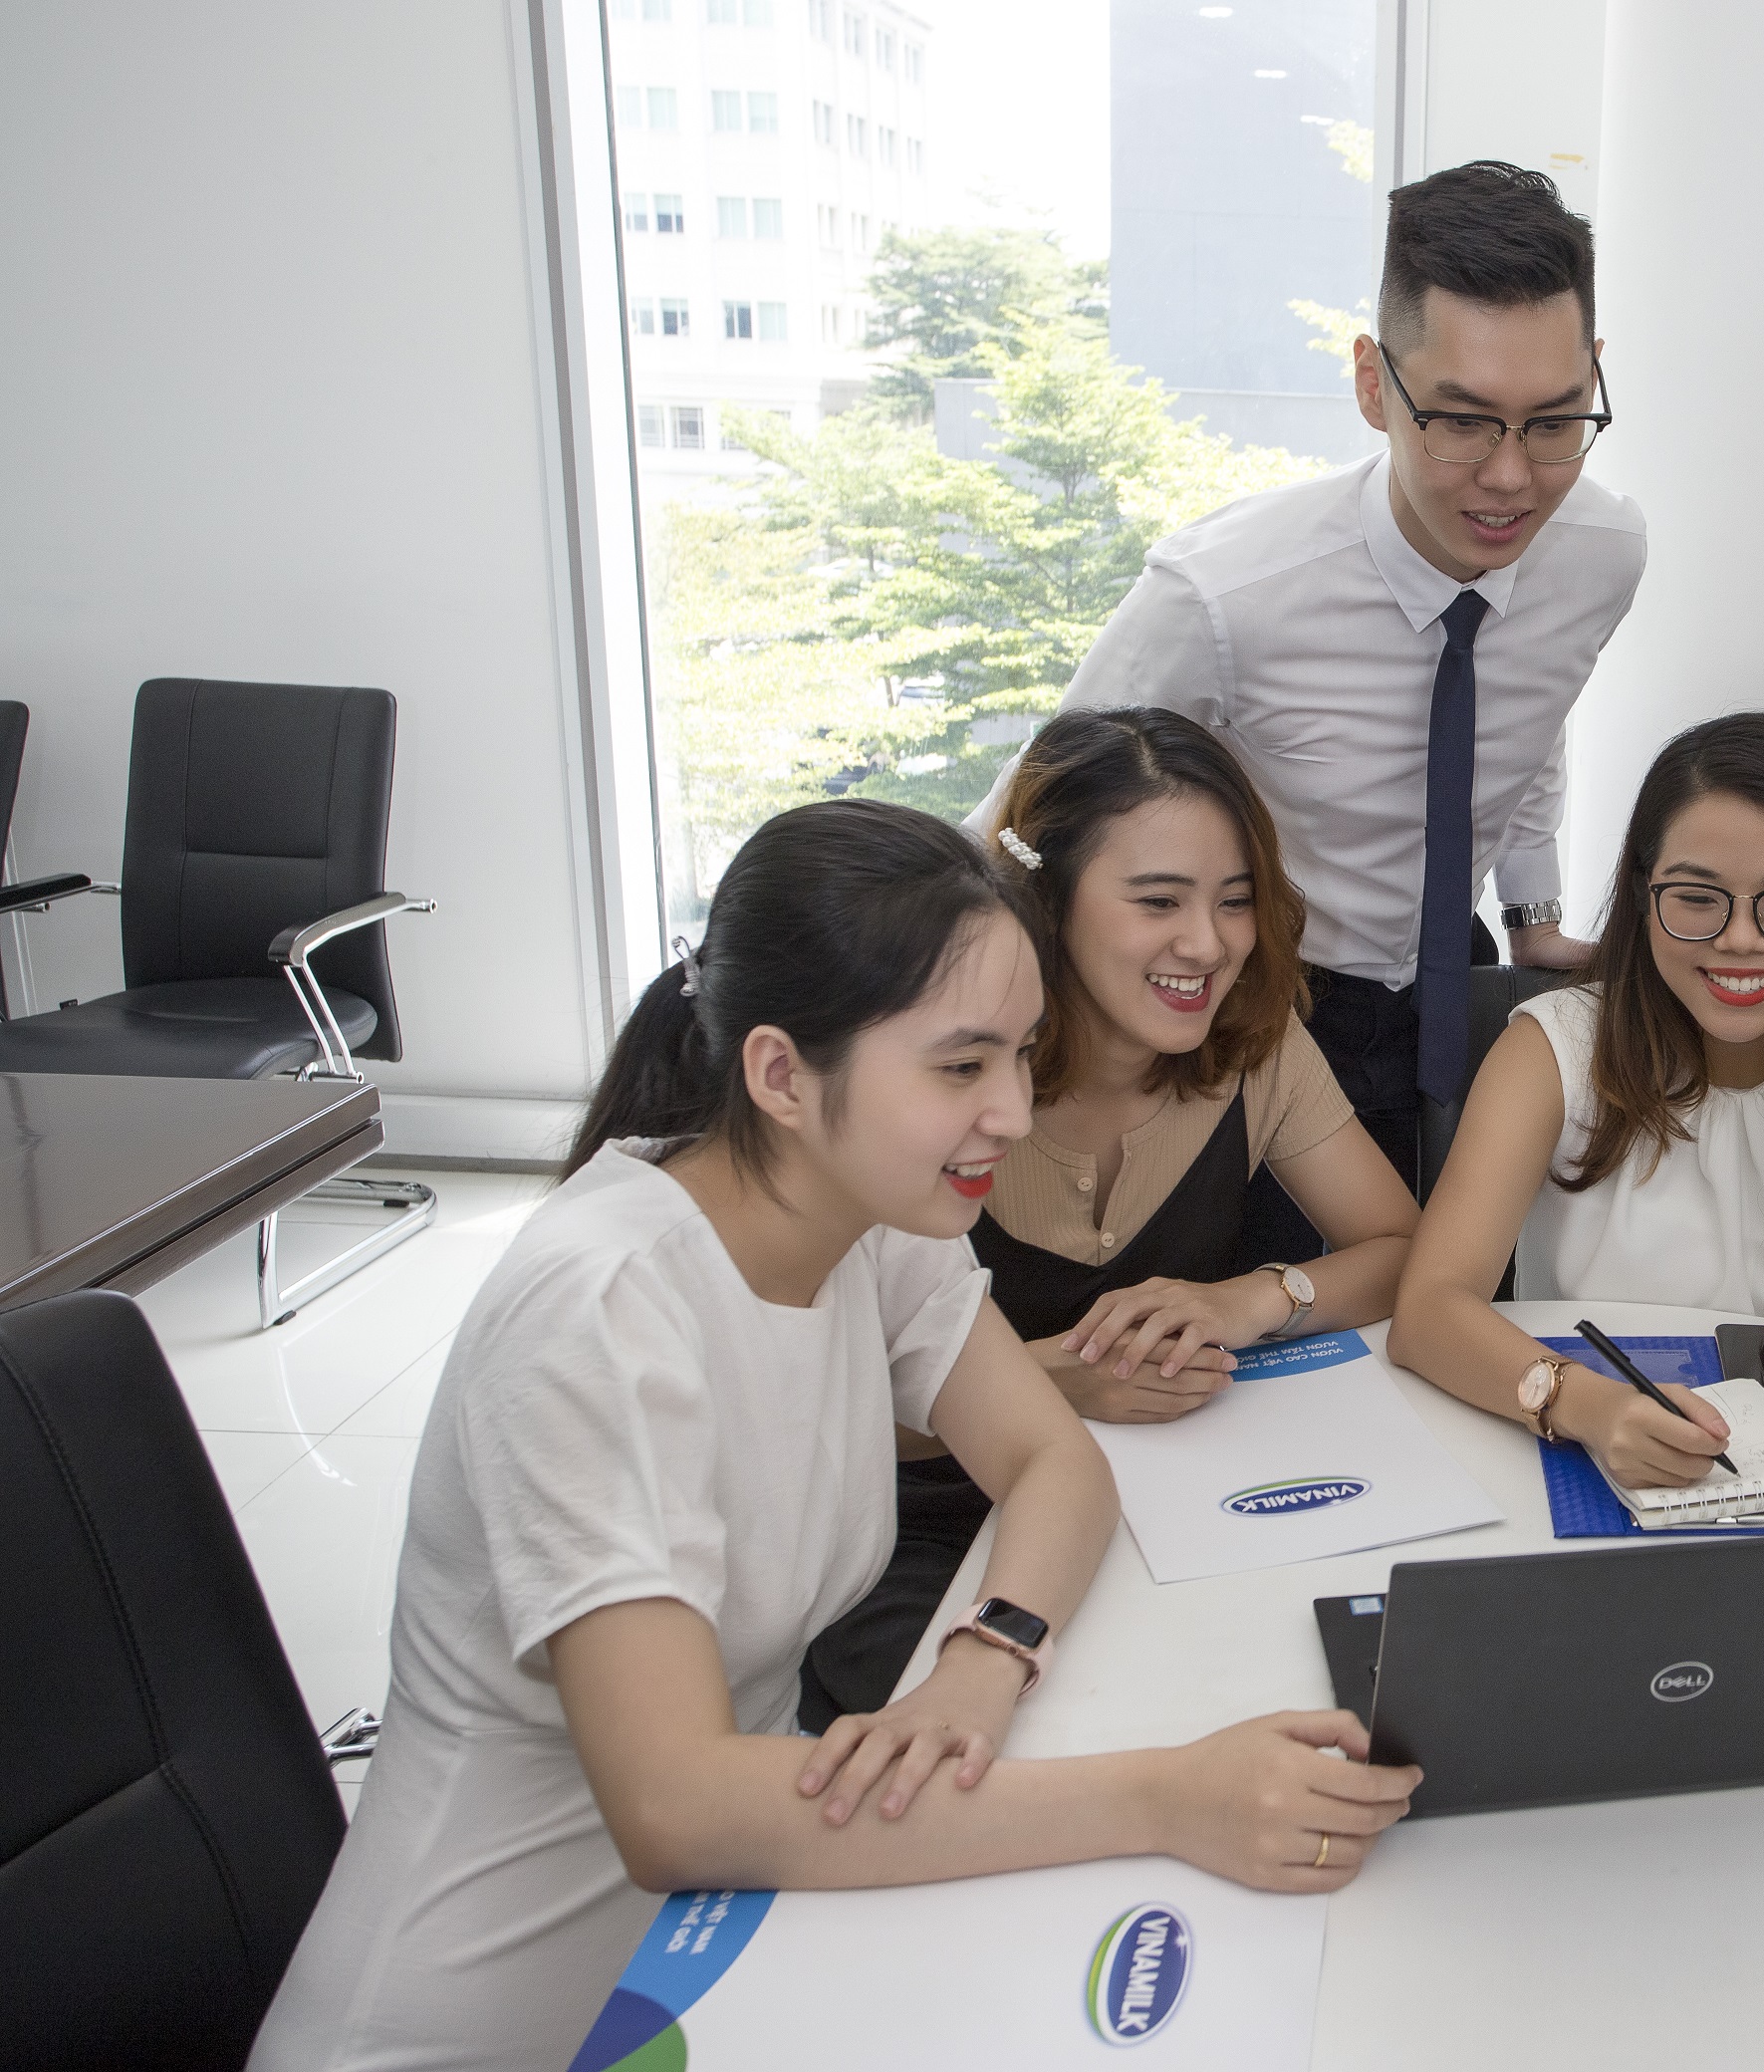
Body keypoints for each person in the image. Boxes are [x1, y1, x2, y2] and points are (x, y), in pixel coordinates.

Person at [253, 800, 1418, 2072]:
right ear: (779, 1076)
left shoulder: (876, 1217)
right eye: (961, 1067)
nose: (1013, 1111)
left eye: (1022, 1054)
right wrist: (1164, 1798)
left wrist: (984, 1660)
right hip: (500, 2018)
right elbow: (677, 1808)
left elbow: (1054, 1461)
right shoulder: (602, 1310)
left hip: (736, 1937)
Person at [963, 159, 1644, 1260]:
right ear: (1374, 385)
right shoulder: (1221, 594)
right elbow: (1030, 816)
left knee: (1451, 1297)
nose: (1512, 478)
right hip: (1261, 1009)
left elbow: (1532, 707)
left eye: (1555, 421)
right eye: (1462, 421)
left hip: (1452, 990)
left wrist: (1534, 906)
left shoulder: (1604, 555)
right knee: (1254, 1323)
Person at [800, 709, 1419, 1729]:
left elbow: (1405, 1253)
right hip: (922, 1533)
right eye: (1158, 901)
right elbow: (809, 1413)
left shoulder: (1253, 1044)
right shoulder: (925, 1080)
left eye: (1235, 900)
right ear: (1043, 904)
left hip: (1163, 1500)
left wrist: (1254, 1300)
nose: (1208, 944)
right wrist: (1055, 1378)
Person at [1392, 713, 1764, 1487]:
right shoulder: (1551, 1051)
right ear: (1642, 892)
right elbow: (1428, 1312)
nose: (1740, 939)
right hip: (1578, 1467)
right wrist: (1585, 1406)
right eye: (1697, 896)